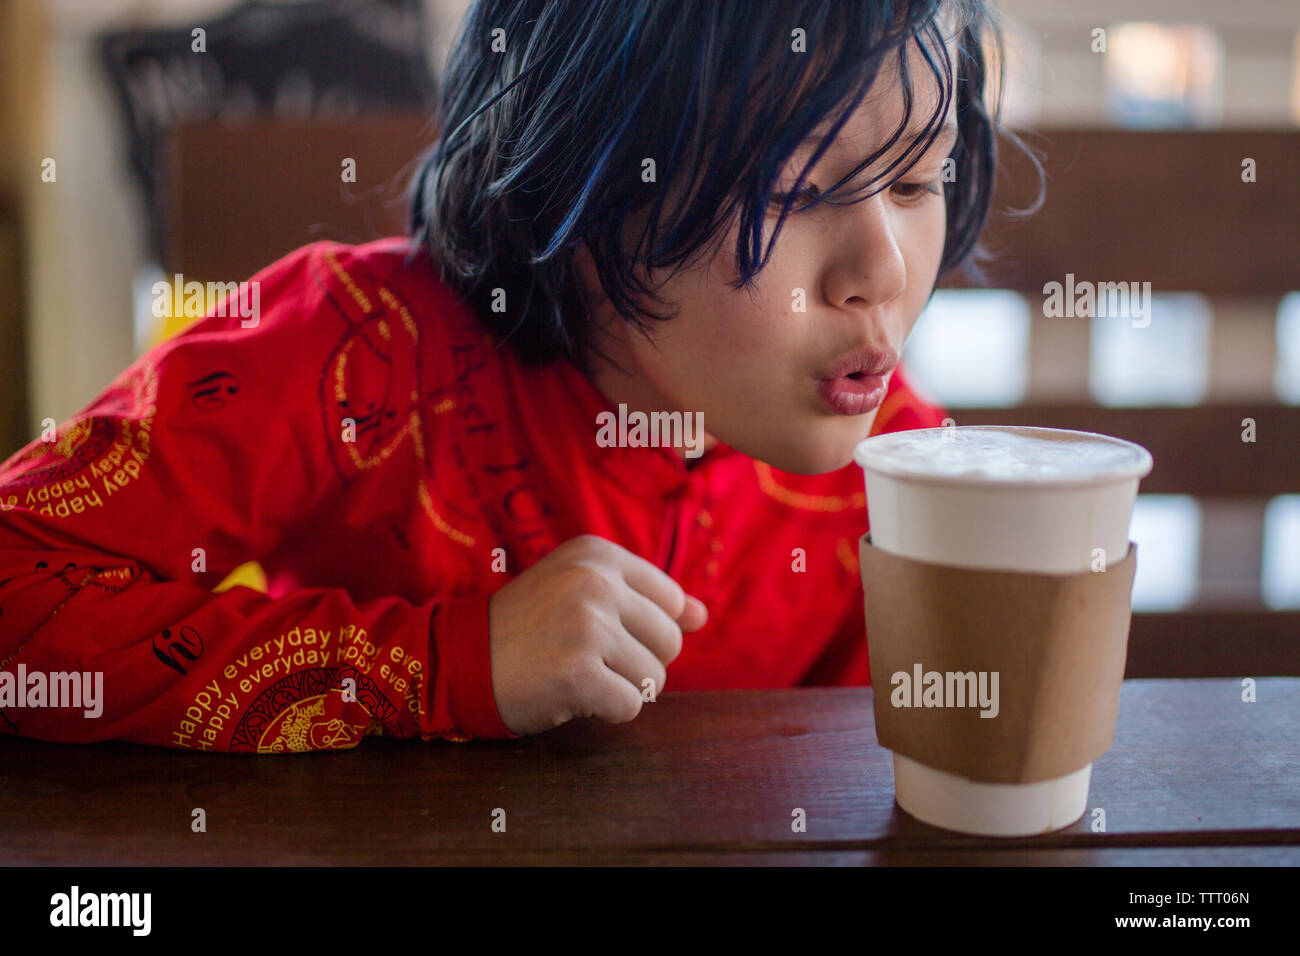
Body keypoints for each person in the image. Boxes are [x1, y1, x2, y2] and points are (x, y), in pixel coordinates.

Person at [0, 0, 1010, 752]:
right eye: (794, 195)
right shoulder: (358, 355)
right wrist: (446, 662)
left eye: (917, 181)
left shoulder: (898, 476)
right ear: (586, 184)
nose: (885, 272)